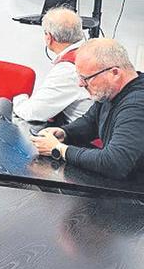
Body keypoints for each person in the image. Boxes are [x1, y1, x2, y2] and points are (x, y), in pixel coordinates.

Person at [32, 38, 144, 181]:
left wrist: (59, 149)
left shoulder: (137, 104)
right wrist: (64, 133)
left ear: (115, 73)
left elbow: (115, 163)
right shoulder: (112, 92)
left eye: (86, 78)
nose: (80, 84)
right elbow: (91, 122)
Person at [12, 7, 92, 125]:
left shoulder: (68, 69)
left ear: (49, 37)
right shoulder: (91, 52)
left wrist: (18, 99)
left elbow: (34, 112)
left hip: (86, 139)